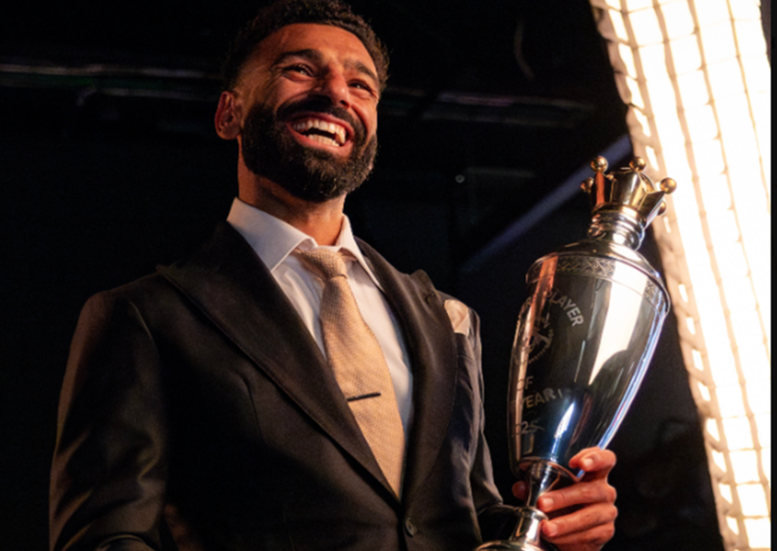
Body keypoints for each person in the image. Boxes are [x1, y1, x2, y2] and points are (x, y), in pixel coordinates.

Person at [49, 1, 618, 550]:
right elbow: (105, 538)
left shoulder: (447, 319)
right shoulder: (147, 317)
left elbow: (465, 515)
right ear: (229, 114)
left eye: (361, 85)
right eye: (300, 69)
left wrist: (553, 525)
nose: (336, 93)